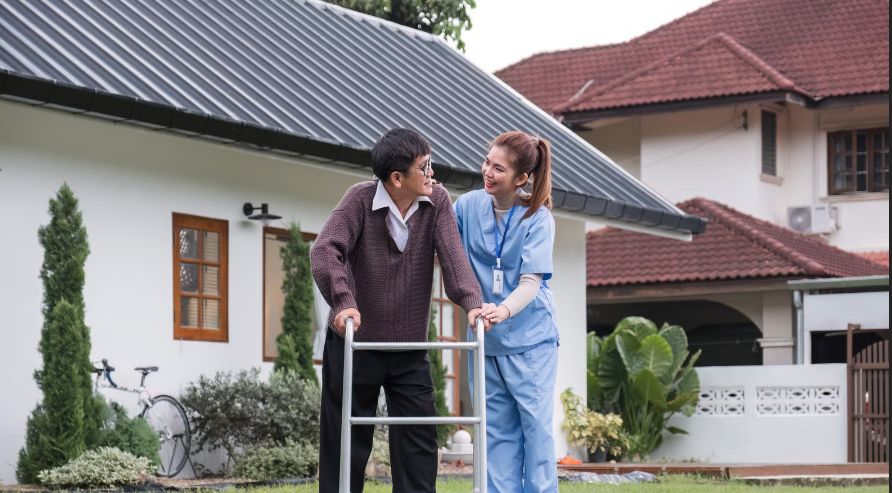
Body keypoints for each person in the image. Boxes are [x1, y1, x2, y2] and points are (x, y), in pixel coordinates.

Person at [311, 128, 484, 493]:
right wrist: (345, 303)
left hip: (408, 348)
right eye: (425, 166)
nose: (432, 173)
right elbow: (325, 251)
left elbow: (454, 259)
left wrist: (472, 303)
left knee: (418, 443)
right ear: (397, 178)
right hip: (354, 342)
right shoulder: (358, 200)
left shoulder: (437, 202)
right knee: (345, 444)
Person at [453, 131, 560, 493]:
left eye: (498, 169)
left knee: (536, 430)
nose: (487, 171)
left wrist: (502, 309)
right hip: (486, 339)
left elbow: (531, 283)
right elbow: (442, 243)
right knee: (495, 432)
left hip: (531, 340)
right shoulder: (467, 206)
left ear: (521, 178)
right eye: (487, 163)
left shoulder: (538, 218)